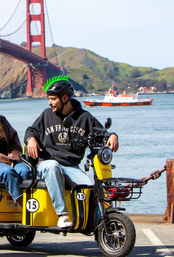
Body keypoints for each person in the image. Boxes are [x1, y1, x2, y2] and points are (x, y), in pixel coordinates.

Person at [24, 75, 119, 228]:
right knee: (52, 167)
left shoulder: (84, 117)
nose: (50, 102)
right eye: (49, 99)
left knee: (90, 188)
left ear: (65, 98)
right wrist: (31, 139)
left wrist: (113, 135)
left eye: (53, 99)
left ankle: (97, 223)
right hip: (46, 164)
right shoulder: (47, 114)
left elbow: (101, 133)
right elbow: (31, 130)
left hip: (71, 166)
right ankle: (62, 215)